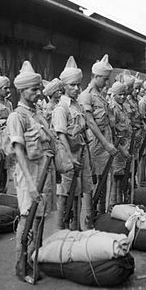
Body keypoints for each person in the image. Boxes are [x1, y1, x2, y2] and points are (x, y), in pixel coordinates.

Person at [5, 61, 55, 279]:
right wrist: (31, 185)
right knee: (28, 221)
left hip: (42, 173)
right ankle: (21, 266)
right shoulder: (17, 117)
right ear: (22, 91)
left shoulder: (37, 114)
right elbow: (18, 152)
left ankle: (34, 261)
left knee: (40, 219)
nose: (38, 93)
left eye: (37, 89)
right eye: (34, 90)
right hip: (29, 177)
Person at [52, 56, 93, 230]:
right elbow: (61, 135)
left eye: (78, 85)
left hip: (80, 153)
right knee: (64, 193)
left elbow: (84, 133)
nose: (76, 89)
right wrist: (70, 158)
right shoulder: (61, 108)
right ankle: (60, 231)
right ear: (64, 87)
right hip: (66, 155)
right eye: (72, 85)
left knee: (79, 192)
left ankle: (76, 228)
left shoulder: (78, 106)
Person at [78, 54, 118, 214]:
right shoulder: (86, 95)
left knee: (104, 178)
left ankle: (101, 214)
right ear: (96, 76)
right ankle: (90, 215)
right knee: (92, 180)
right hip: (96, 143)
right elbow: (90, 122)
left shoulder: (101, 96)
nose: (107, 83)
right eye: (105, 79)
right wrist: (106, 144)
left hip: (105, 141)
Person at [109, 81, 132, 204]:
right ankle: (114, 204)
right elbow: (113, 132)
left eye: (124, 94)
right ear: (114, 95)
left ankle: (121, 202)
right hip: (118, 146)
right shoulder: (113, 108)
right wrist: (122, 150)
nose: (123, 97)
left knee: (124, 174)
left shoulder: (122, 107)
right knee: (116, 176)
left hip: (125, 143)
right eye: (120, 95)